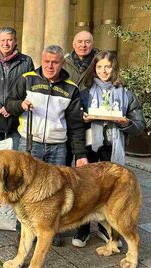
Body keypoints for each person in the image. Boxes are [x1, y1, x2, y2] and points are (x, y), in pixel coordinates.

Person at [6, 45, 89, 246]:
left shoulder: (71, 88)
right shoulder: (27, 79)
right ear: (41, 60)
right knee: (25, 189)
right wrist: (20, 105)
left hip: (58, 147)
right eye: (46, 62)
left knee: (54, 192)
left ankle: (48, 231)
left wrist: (80, 154)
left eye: (55, 62)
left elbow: (76, 126)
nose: (50, 66)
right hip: (30, 143)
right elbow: (9, 103)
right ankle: (23, 232)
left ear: (62, 63)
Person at [72, 50, 145, 248]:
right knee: (86, 188)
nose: (104, 71)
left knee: (110, 190)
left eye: (108, 67)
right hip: (90, 147)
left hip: (113, 148)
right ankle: (83, 227)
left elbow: (140, 125)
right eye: (99, 67)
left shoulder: (127, 95)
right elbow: (74, 121)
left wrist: (125, 122)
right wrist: (82, 118)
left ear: (114, 68)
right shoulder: (85, 94)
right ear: (94, 69)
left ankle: (108, 228)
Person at [63, 31, 98, 167]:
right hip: (68, 119)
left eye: (87, 42)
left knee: (88, 164)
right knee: (64, 163)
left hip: (91, 121)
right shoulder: (64, 62)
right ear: (73, 43)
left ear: (92, 44)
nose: (83, 45)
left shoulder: (99, 62)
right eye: (79, 41)